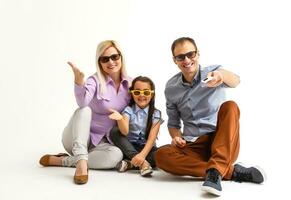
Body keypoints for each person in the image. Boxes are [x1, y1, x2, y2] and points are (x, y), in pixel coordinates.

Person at [154, 37, 266, 196]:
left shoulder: (213, 72)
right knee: (161, 156)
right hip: (193, 145)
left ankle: (216, 168)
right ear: (175, 60)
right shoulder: (171, 88)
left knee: (230, 106)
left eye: (190, 54)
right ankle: (227, 171)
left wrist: (221, 76)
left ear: (198, 54)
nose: (186, 60)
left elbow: (236, 81)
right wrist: (176, 137)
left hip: (222, 142)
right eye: (180, 57)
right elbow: (173, 123)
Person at [39, 40, 131, 184]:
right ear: (99, 62)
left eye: (115, 57)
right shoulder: (94, 80)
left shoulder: (130, 84)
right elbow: (82, 103)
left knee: (116, 155)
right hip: (78, 137)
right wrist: (79, 82)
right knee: (84, 109)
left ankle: (64, 161)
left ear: (121, 57)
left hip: (102, 144)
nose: (111, 62)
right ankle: (81, 161)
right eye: (105, 59)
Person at [109, 76, 163, 177]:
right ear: (132, 94)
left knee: (162, 154)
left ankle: (130, 164)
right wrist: (120, 119)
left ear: (152, 94)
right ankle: (143, 164)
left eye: (146, 92)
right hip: (129, 149)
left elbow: (152, 138)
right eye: (137, 92)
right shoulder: (128, 110)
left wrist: (142, 155)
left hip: (147, 150)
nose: (141, 95)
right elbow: (124, 132)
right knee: (115, 131)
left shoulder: (156, 113)